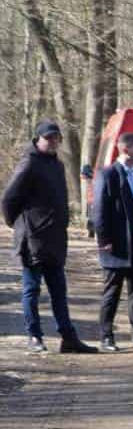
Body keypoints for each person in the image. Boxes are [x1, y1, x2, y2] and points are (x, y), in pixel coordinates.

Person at [4, 121, 94, 354]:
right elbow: (9, 199)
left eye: (56, 138)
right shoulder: (29, 163)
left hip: (55, 239)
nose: (53, 141)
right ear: (38, 139)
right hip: (32, 239)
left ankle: (68, 337)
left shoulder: (57, 165)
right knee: (31, 289)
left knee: (59, 290)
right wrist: (18, 223)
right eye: (49, 138)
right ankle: (34, 336)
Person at [91, 132, 133, 349]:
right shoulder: (109, 174)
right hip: (117, 244)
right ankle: (106, 336)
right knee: (112, 290)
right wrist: (104, 239)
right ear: (125, 150)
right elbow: (100, 210)